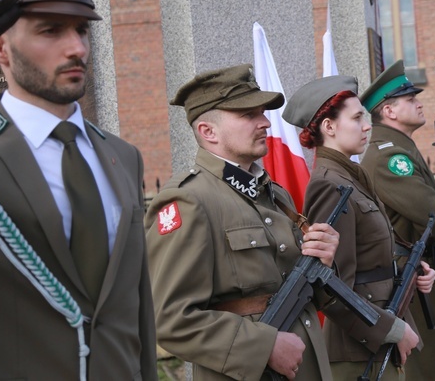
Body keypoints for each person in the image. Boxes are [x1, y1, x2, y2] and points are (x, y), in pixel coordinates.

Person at [0, 0, 157, 379]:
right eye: (51, 30)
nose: (78, 48)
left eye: (82, 29)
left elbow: (136, 311)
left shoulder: (122, 157)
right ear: (0, 49)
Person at [145, 65, 342, 380]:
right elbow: (169, 319)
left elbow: (305, 291)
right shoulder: (189, 201)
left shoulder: (275, 195)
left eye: (262, 113)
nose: (265, 122)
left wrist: (325, 263)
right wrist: (263, 347)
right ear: (209, 132)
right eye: (249, 114)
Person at [283, 75, 435, 380]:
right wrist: (390, 331)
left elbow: (372, 252)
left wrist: (412, 265)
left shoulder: (351, 176)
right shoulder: (329, 184)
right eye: (356, 118)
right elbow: (331, 284)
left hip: (379, 331)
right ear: (329, 127)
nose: (367, 126)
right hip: (361, 347)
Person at [360, 60, 435, 381]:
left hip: (422, 273)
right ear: (389, 111)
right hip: (410, 278)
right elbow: (433, 213)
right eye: (409, 99)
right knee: (428, 370)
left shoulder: (400, 148)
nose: (419, 102)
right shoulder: (389, 155)